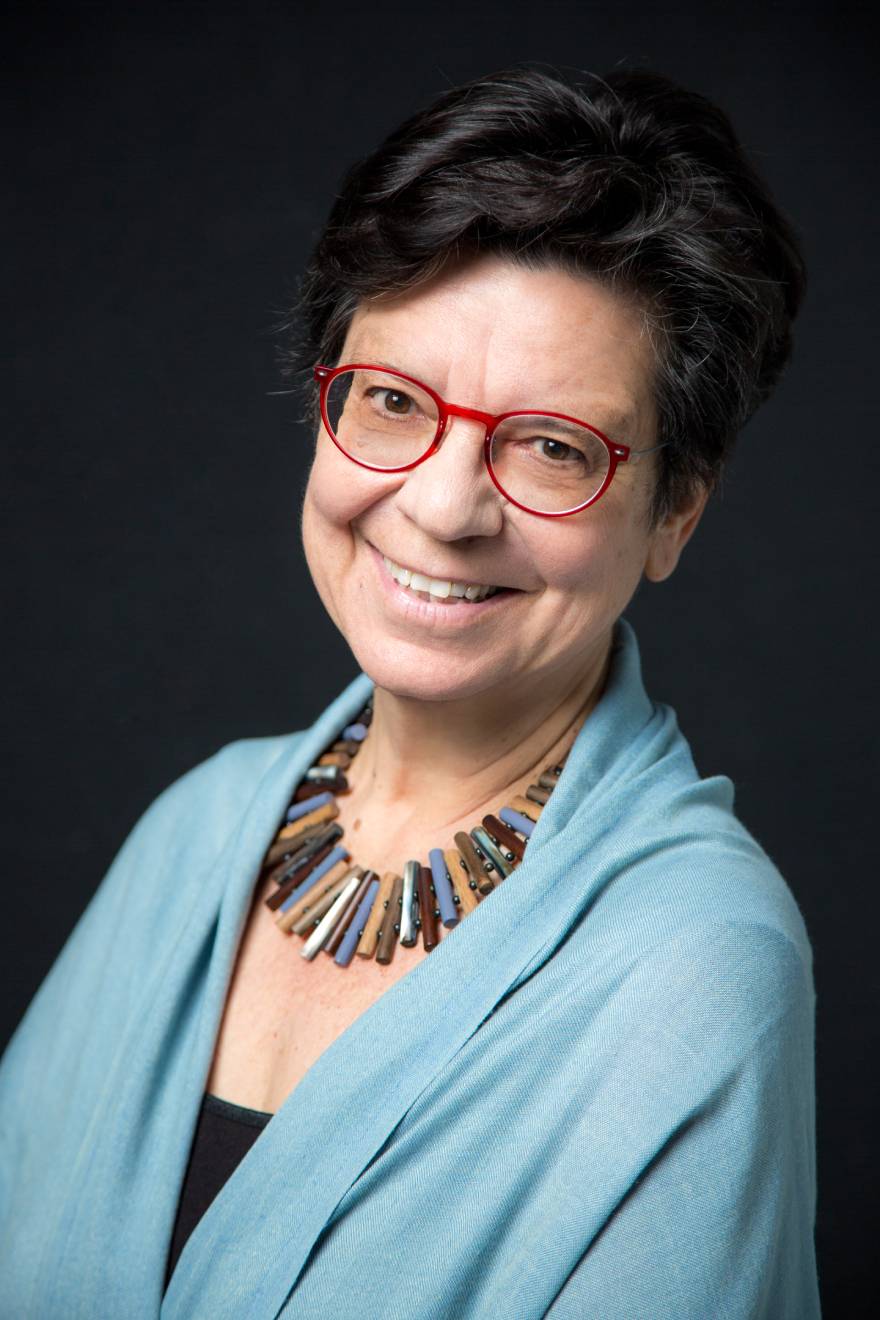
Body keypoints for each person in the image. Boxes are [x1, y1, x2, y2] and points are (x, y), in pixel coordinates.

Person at [0, 65, 819, 1318]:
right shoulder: (195, 829)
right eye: (391, 402)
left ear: (675, 513)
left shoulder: (693, 968)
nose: (442, 508)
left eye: (552, 447)